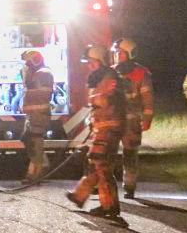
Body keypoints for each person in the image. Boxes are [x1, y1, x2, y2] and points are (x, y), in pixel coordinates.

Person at [66, 44, 126, 218]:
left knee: (101, 166)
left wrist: (93, 99)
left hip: (109, 128)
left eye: (91, 62)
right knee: (95, 163)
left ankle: (110, 207)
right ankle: (80, 196)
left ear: (99, 60)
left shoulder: (109, 77)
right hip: (102, 127)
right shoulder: (101, 76)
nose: (88, 65)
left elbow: (104, 100)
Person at [112, 38, 154, 198]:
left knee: (130, 153)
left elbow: (147, 97)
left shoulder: (141, 73)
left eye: (120, 53)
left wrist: (147, 118)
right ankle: (103, 183)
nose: (117, 55)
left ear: (129, 54)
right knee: (108, 152)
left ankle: (129, 186)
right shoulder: (111, 71)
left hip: (131, 121)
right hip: (113, 119)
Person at [21, 50, 55, 182]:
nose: (27, 65)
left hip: (39, 114)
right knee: (29, 140)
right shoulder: (38, 73)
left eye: (28, 62)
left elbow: (39, 92)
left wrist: (27, 76)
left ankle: (36, 173)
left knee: (35, 142)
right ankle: (41, 167)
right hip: (33, 113)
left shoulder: (43, 74)